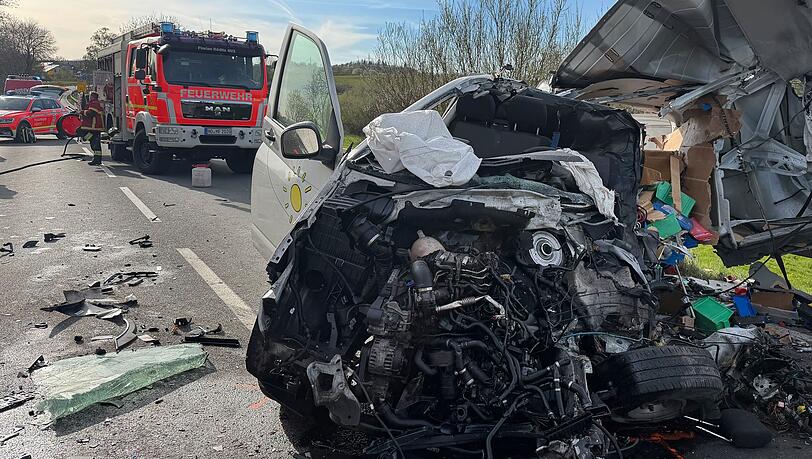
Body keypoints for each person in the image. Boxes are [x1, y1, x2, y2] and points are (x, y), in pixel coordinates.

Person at [80, 91, 104, 165]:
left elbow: (91, 113)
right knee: (94, 142)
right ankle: (97, 159)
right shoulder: (93, 103)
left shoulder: (95, 103)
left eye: (90, 96)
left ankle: (97, 160)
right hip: (93, 127)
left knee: (94, 143)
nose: (89, 97)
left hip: (95, 126)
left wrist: (82, 112)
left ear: (93, 97)